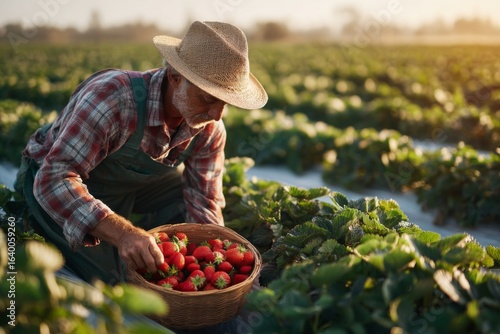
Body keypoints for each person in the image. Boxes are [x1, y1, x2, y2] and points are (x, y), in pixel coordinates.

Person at [14, 21, 268, 286]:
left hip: (128, 188)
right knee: (115, 282)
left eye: (225, 103)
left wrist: (214, 259)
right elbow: (53, 178)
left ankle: (135, 230)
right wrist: (124, 234)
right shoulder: (113, 98)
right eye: (208, 99)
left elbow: (204, 201)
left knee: (184, 203)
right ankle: (34, 225)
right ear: (175, 77)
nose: (217, 115)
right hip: (55, 182)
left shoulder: (210, 127)